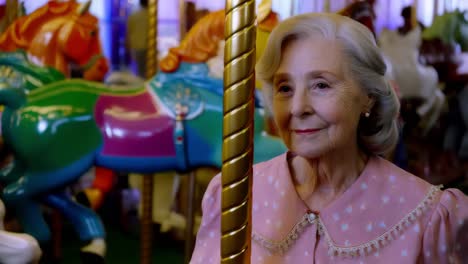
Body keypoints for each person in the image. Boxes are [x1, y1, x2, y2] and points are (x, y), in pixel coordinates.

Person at [190, 13, 468, 263]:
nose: (298, 107)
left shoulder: (428, 216)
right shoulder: (234, 194)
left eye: (321, 85)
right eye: (284, 88)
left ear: (367, 98)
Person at [126, 0, 149, 78]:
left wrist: (128, 47)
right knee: (146, 71)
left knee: (139, 71)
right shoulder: (150, 16)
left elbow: (128, 33)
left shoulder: (133, 15)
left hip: (136, 47)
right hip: (147, 46)